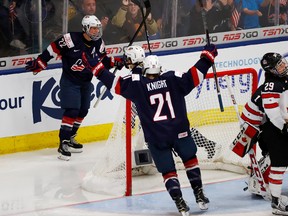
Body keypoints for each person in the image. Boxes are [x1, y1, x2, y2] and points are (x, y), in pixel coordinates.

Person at [82, 43, 218, 215]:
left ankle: (179, 202)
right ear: (160, 68)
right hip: (179, 132)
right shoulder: (173, 78)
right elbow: (195, 75)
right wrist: (207, 57)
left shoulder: (137, 85)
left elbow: (113, 82)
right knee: (190, 160)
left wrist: (97, 68)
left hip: (156, 137)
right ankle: (199, 194)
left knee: (168, 172)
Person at [25, 15, 123, 161]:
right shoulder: (70, 39)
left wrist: (117, 62)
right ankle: (63, 142)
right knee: (72, 110)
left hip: (86, 82)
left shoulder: (99, 43)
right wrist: (40, 62)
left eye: (98, 28)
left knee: (83, 110)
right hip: (70, 81)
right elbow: (52, 49)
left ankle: (71, 137)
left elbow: (103, 61)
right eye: (94, 28)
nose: (97, 31)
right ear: (85, 28)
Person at [259, 52, 288, 215]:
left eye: (283, 63)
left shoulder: (283, 79)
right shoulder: (271, 85)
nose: (284, 66)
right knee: (279, 166)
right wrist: (284, 128)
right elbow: (272, 112)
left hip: (283, 127)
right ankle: (276, 203)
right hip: (276, 130)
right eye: (279, 65)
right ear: (271, 70)